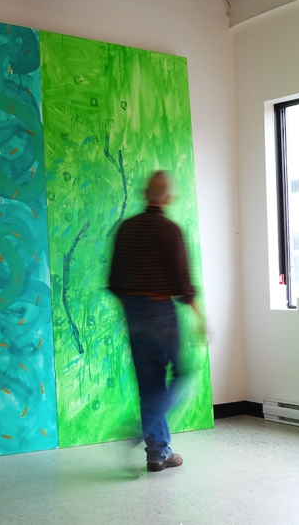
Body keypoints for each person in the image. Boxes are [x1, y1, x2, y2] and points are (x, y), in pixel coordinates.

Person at [107, 170, 203, 472]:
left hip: (134, 312)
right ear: (168, 197)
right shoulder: (170, 230)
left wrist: (133, 308)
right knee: (181, 376)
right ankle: (144, 425)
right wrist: (199, 315)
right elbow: (183, 283)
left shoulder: (126, 229)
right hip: (162, 311)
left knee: (149, 385)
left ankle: (157, 453)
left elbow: (114, 281)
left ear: (145, 194)